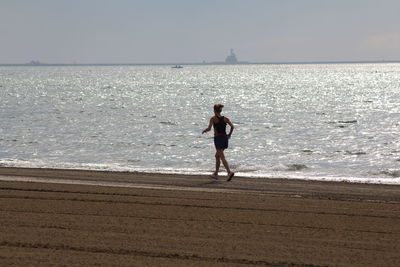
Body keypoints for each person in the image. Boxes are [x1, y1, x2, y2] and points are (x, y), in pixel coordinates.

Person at [202, 104, 235, 181]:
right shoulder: (225, 119)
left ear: (214, 110)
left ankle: (229, 172)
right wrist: (229, 134)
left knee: (222, 156)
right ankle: (216, 174)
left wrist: (205, 130)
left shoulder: (213, 119)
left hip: (218, 139)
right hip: (225, 139)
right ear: (220, 111)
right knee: (217, 156)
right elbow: (232, 126)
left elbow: (209, 128)